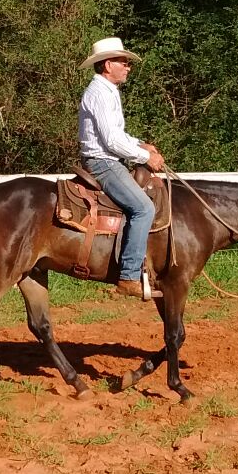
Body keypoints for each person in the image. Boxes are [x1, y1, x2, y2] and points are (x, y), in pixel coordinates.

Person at [77, 36, 165, 298]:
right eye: (123, 62)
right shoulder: (99, 93)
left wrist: (141, 144)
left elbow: (117, 134)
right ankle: (128, 276)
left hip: (108, 159)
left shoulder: (107, 91)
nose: (128, 67)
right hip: (102, 163)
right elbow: (111, 141)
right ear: (107, 65)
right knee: (143, 208)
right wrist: (144, 157)